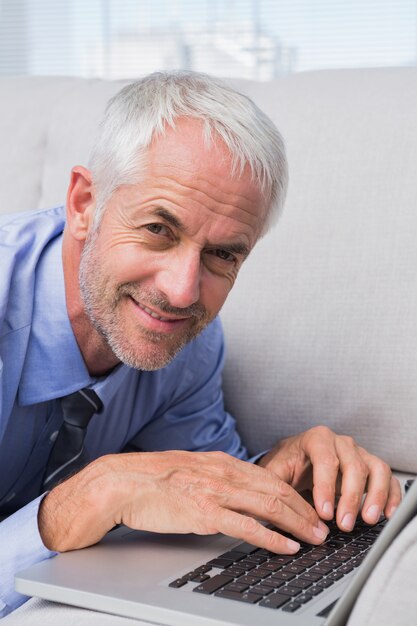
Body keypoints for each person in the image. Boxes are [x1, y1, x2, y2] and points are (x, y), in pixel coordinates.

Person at [0, 70, 401, 618]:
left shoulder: (188, 343)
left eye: (223, 255)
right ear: (83, 203)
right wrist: (78, 502)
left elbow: (196, 480)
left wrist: (277, 470)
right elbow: (107, 493)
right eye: (159, 229)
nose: (182, 291)